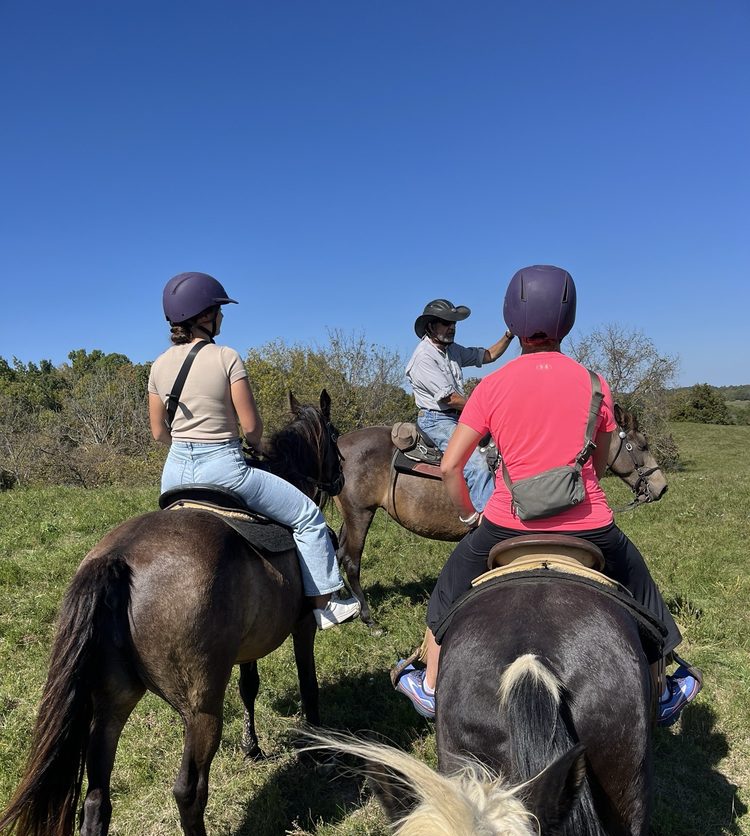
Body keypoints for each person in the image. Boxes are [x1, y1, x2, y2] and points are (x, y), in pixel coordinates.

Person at [395, 265, 702, 724]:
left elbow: (451, 466)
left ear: (512, 322)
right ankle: (662, 687)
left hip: (504, 525)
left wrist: (468, 516)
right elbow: (600, 458)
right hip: (590, 526)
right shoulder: (597, 384)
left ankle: (432, 686)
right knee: (641, 587)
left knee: (447, 590)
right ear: (569, 319)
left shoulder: (491, 386)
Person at [148, 271, 360, 630]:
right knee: (308, 516)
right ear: (203, 316)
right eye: (218, 309)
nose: (222, 316)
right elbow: (251, 428)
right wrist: (256, 445)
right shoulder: (226, 356)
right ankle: (326, 604)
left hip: (173, 476)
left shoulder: (158, 364)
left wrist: (189, 443)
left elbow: (158, 433)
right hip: (224, 469)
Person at [405, 299, 514, 512]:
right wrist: (487, 408)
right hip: (437, 420)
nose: (452, 327)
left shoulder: (451, 350)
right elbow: (450, 399)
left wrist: (510, 335)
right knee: (477, 466)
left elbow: (488, 355)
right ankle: (489, 522)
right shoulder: (423, 358)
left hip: (457, 416)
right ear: (430, 326)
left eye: (454, 323)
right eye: (446, 322)